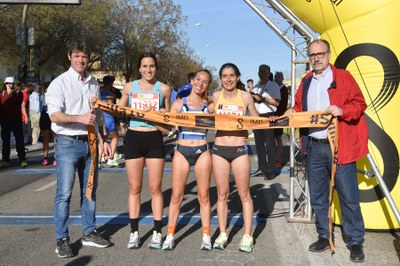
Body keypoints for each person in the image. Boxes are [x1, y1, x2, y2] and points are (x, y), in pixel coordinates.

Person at [285, 39, 367, 263]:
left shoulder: (343, 77)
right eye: (312, 55)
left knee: (349, 197)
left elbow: (360, 104)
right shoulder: (306, 81)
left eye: (320, 53)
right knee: (318, 197)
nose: (316, 58)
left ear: (329, 55)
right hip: (313, 146)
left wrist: (342, 110)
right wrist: (292, 111)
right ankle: (324, 234)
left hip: (339, 147)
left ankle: (355, 240)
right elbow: (299, 107)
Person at [45, 40, 112, 258]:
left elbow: (98, 112)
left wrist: (105, 138)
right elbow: (55, 115)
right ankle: (62, 239)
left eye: (84, 56)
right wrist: (80, 118)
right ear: (69, 57)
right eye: (77, 56)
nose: (81, 60)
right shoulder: (59, 83)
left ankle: (89, 233)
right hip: (67, 142)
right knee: (64, 194)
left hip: (91, 142)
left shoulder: (93, 83)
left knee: (90, 191)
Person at [118, 52, 171, 249]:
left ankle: (157, 232)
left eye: (151, 66)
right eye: (144, 66)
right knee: (135, 188)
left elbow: (167, 128)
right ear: (139, 68)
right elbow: (118, 111)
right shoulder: (129, 87)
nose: (148, 70)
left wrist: (157, 118)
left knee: (156, 188)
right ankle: (134, 232)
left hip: (154, 139)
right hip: (133, 139)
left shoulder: (164, 89)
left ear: (156, 68)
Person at [208, 63, 258, 253]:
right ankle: (222, 232)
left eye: (231, 75)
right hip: (219, 149)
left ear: (238, 77)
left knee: (244, 194)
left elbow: (257, 120)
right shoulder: (216, 95)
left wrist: (274, 120)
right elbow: (203, 113)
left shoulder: (245, 96)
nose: (228, 79)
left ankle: (247, 235)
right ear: (220, 79)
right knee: (222, 194)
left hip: (238, 151)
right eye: (224, 76)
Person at [162, 69, 213, 250]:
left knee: (204, 196)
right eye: (198, 79)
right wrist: (158, 117)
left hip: (202, 150)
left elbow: (231, 115)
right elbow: (165, 128)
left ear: (208, 85)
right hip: (182, 150)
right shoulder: (178, 103)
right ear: (192, 80)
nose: (200, 83)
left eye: (205, 81)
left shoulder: (210, 105)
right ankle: (170, 235)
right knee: (176, 196)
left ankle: (206, 236)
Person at [251, 64, 281, 180]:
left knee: (270, 144)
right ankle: (261, 168)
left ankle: (271, 170)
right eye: (260, 72)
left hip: (269, 116)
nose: (262, 73)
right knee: (259, 145)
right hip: (257, 117)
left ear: (269, 73)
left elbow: (277, 103)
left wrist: (263, 99)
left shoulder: (273, 86)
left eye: (264, 71)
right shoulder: (255, 87)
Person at [0, 77, 28, 167]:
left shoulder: (18, 93)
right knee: (6, 140)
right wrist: (8, 94)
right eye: (8, 83)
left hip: (16, 120)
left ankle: (22, 159)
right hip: (5, 120)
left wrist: (10, 94)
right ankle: (5, 159)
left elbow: (17, 102)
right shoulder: (1, 93)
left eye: (11, 83)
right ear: (5, 84)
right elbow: (3, 103)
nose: (10, 85)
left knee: (19, 139)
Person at [273, 71, 289, 168]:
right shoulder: (274, 88)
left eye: (279, 76)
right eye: (276, 77)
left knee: (278, 138)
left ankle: (278, 159)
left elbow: (283, 104)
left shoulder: (284, 89)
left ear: (282, 78)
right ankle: (273, 158)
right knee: (271, 139)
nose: (277, 78)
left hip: (280, 116)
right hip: (271, 116)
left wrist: (280, 116)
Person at [39, 87, 57, 166]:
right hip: (44, 116)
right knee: (45, 138)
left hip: (52, 116)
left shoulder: (55, 96)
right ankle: (45, 157)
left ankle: (56, 157)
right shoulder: (42, 96)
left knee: (55, 137)